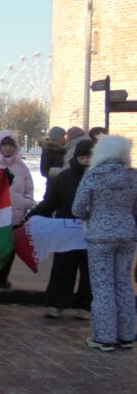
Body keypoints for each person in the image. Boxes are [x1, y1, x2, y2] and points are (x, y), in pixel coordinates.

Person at [72, 135, 137, 351]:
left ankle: (105, 336)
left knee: (102, 285)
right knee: (124, 283)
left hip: (100, 235)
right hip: (127, 234)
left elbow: (78, 208)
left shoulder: (93, 175)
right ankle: (127, 334)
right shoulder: (133, 176)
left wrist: (92, 215)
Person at [27, 139, 93, 319]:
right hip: (67, 229)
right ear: (76, 157)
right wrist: (35, 214)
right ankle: (56, 303)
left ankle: (85, 306)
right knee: (63, 268)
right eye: (82, 157)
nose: (85, 161)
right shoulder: (65, 177)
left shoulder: (99, 178)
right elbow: (51, 201)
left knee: (90, 270)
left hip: (92, 231)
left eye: (89, 157)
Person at [0, 130, 34, 289]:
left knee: (10, 249)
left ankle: (2, 278)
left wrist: (26, 202)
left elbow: (29, 187)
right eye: (5, 145)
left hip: (15, 215)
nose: (8, 148)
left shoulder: (22, 167)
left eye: (11, 145)